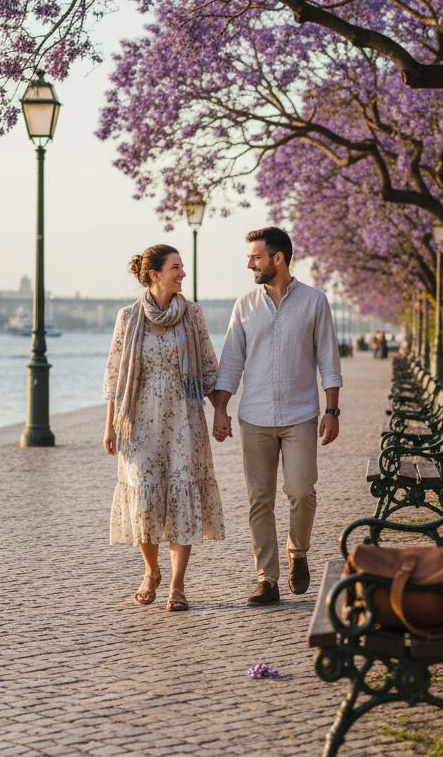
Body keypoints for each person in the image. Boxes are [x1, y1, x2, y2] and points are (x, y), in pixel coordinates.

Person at [210, 227, 343, 605]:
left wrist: (332, 410)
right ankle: (266, 578)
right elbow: (231, 361)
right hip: (254, 417)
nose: (249, 264)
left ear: (278, 258)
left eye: (255, 257)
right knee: (260, 500)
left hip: (301, 415)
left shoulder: (315, 302)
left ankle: (297, 551)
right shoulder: (245, 305)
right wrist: (220, 409)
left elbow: (328, 359)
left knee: (302, 491)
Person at [103, 244, 224, 612]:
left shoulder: (194, 315)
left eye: (182, 267)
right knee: (144, 498)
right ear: (154, 274)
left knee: (182, 495)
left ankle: (177, 584)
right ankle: (151, 571)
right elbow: (114, 376)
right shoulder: (128, 317)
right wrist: (110, 427)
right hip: (137, 422)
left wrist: (220, 412)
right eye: (175, 268)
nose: (182, 274)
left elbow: (209, 368)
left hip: (184, 420)